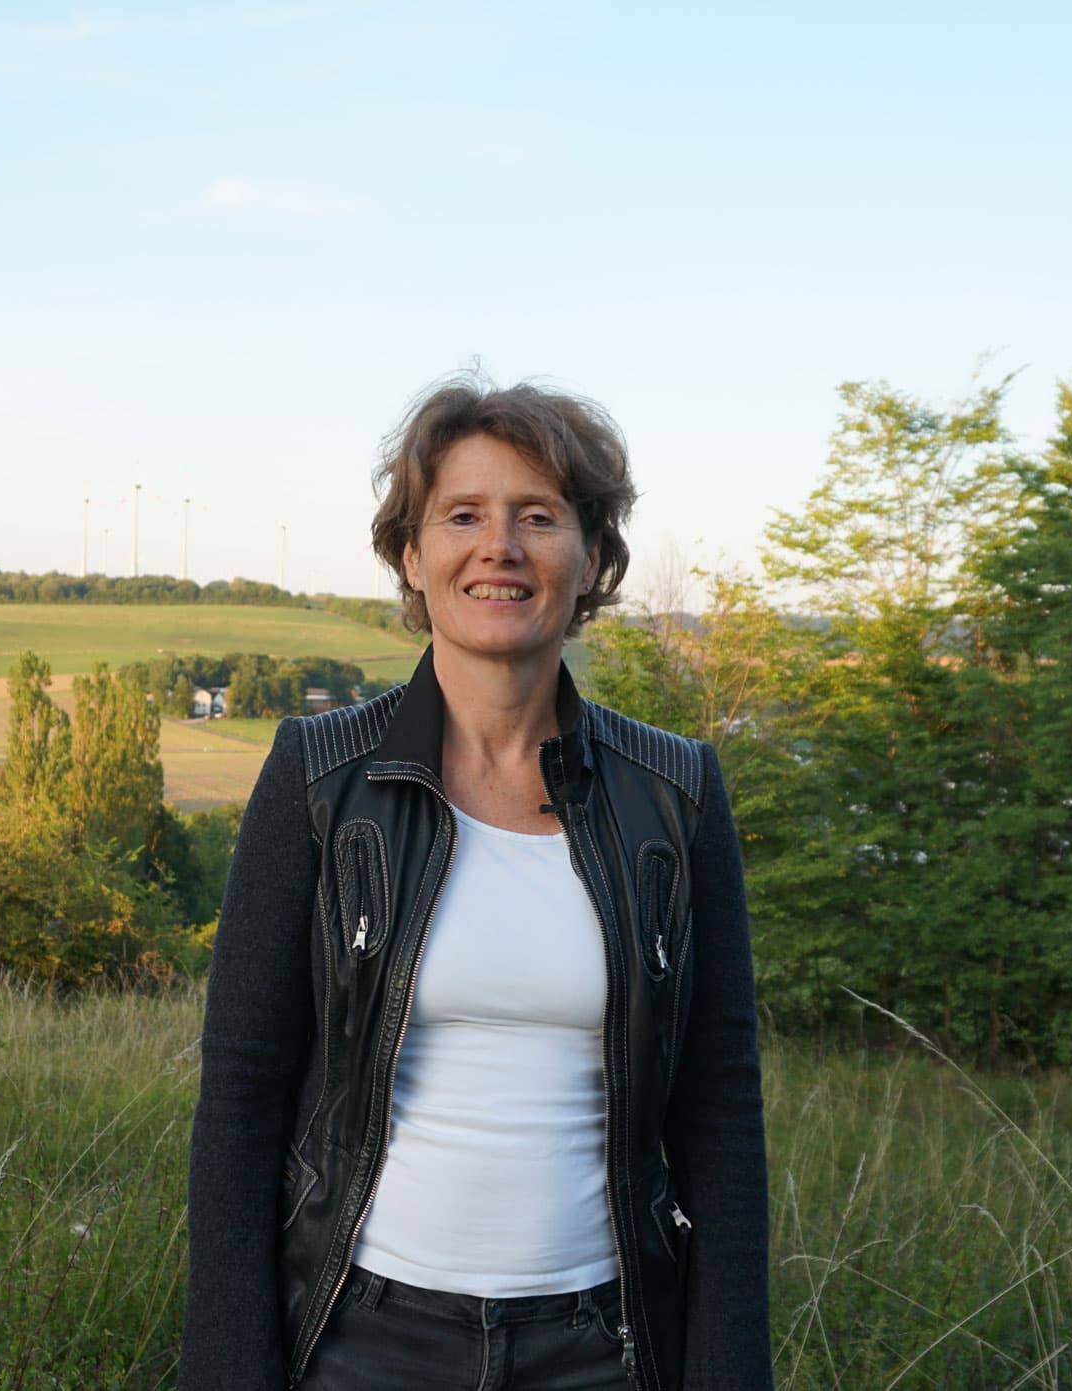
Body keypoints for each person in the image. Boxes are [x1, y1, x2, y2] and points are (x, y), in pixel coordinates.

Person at [179, 376, 772, 1390]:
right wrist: (231, 1366)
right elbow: (242, 1091)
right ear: (413, 555)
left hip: (604, 1345)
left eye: (537, 517)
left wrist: (728, 1370)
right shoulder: (319, 780)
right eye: (462, 515)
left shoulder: (675, 795)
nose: (498, 546)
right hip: (361, 1334)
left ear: (591, 560)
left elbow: (719, 1113)